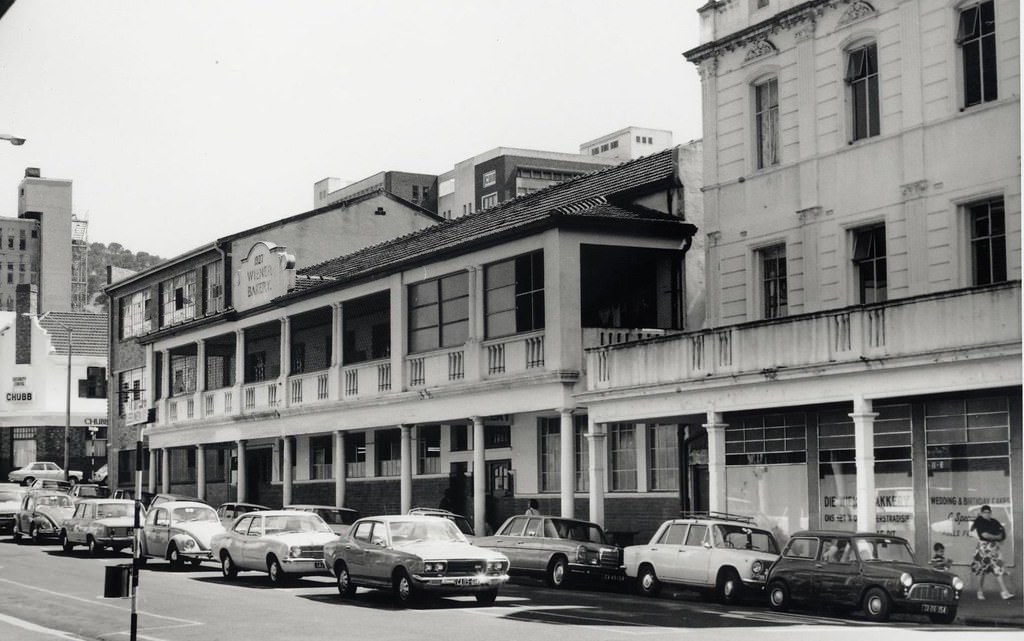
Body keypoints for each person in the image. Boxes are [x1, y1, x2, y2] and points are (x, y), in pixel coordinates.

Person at [970, 505, 1014, 600]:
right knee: (982, 571)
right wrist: (997, 537)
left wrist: (999, 537)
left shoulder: (994, 522)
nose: (987, 514)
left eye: (989, 512)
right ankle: (980, 591)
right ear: (981, 513)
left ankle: (1004, 592)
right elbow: (984, 534)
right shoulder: (979, 521)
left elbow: (1001, 532)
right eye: (985, 512)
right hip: (984, 549)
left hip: (993, 549)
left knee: (998, 568)